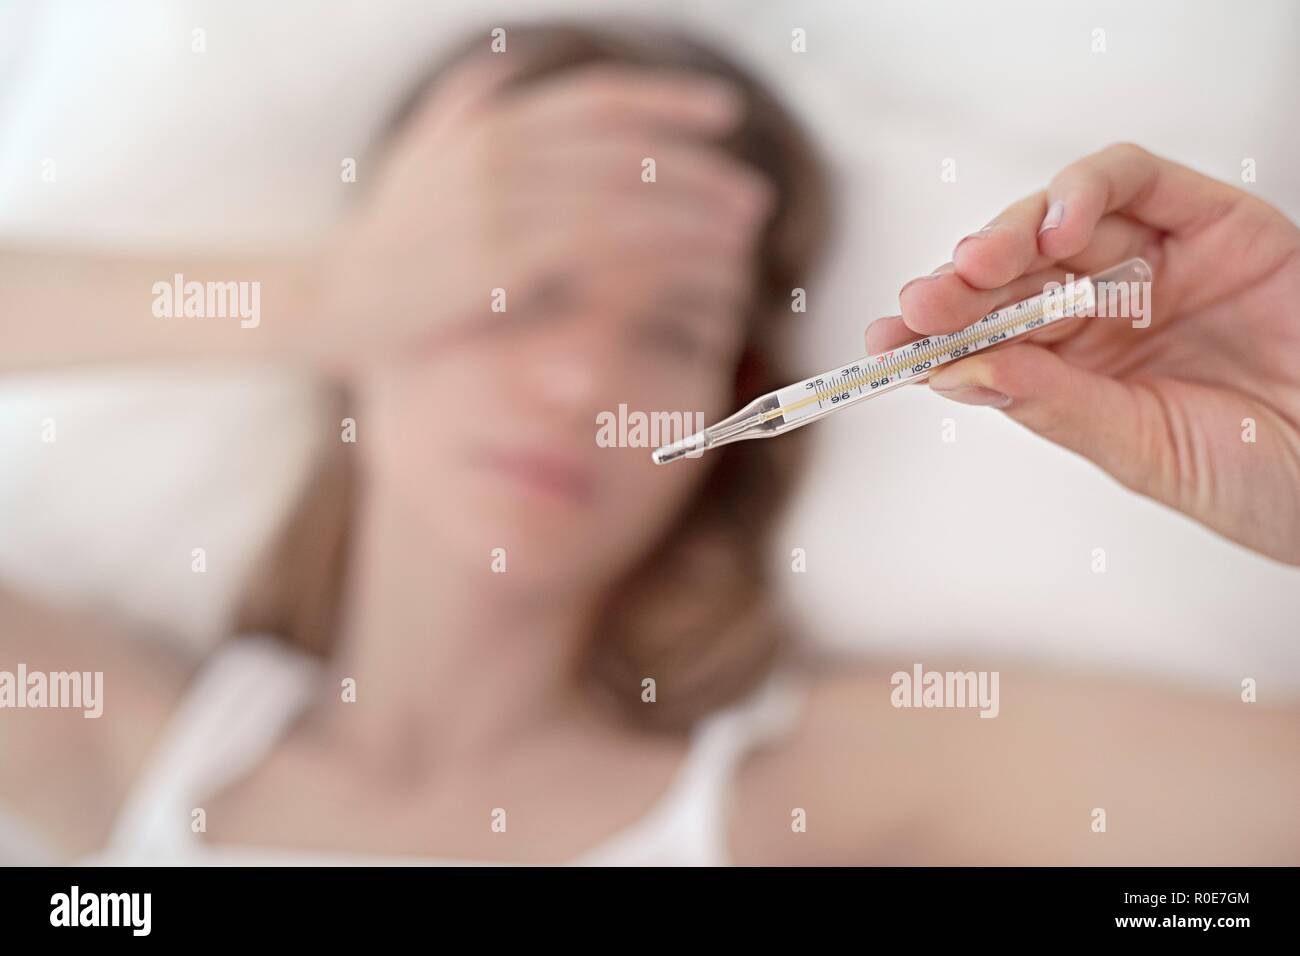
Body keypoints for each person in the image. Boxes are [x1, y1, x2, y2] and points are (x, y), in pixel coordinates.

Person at [0, 23, 1296, 866]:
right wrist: (312, 296)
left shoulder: (817, 792)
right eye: (520, 291)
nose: (580, 385)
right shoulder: (121, 754)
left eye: (674, 330)